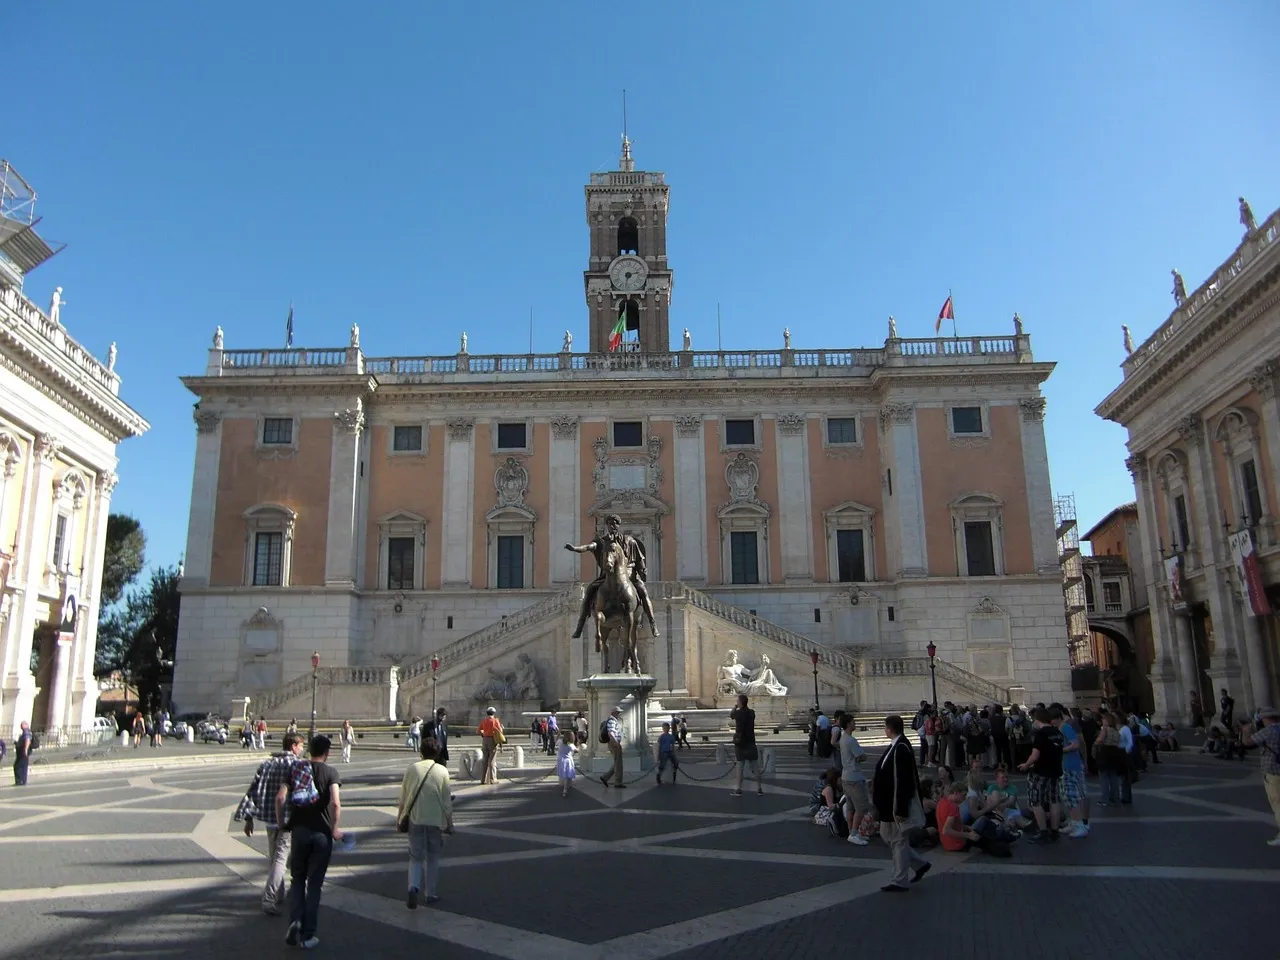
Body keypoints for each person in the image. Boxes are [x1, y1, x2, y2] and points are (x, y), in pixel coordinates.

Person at [278, 735, 343, 949]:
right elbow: (335, 803)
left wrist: (282, 824)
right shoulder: (331, 773)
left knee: (297, 879)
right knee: (314, 885)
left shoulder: (296, 769)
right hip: (322, 835)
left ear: (310, 750)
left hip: (300, 831)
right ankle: (308, 935)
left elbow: (280, 798)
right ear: (327, 752)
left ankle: (295, 919)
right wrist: (334, 828)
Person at [234, 732, 305, 914]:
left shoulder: (267, 764)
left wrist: (248, 818)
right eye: (301, 745)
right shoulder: (296, 765)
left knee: (275, 859)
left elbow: (253, 791)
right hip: (288, 819)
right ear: (293, 746)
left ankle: (280, 895)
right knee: (281, 860)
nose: (302, 749)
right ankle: (269, 898)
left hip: (269, 819)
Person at [565, 514, 660, 639]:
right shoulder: (602, 542)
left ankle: (653, 623)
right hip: (607, 576)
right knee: (589, 592)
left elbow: (639, 558)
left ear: (618, 526)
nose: (613, 526)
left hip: (630, 575)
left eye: (615, 523)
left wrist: (642, 569)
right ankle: (580, 626)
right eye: (610, 523)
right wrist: (576, 549)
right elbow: (588, 547)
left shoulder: (630, 541)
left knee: (643, 591)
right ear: (607, 526)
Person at [872, 714, 931, 893]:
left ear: (889, 729)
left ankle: (899, 880)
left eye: (885, 727)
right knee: (888, 836)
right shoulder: (896, 746)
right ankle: (919, 864)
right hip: (887, 804)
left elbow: (904, 781)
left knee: (898, 840)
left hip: (895, 805)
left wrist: (902, 808)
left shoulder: (901, 748)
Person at [398, 736, 453, 907]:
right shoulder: (442, 771)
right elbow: (446, 802)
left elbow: (403, 796)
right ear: (437, 753)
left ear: (421, 752)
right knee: (433, 858)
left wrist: (400, 817)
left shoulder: (412, 769)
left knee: (415, 857)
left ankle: (413, 887)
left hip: (415, 818)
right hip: (435, 820)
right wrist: (450, 824)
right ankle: (430, 893)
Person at [1017, 708, 1064, 842]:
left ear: (1037, 720)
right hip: (1056, 770)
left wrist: (1026, 764)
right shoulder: (1057, 732)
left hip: (1041, 771)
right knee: (1054, 800)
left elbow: (1035, 755)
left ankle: (1043, 831)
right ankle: (1055, 831)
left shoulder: (1041, 734)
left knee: (1036, 801)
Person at [1242, 706, 1280, 846]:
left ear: (1266, 719)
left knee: (1277, 803)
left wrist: (1246, 731)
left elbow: (1247, 743)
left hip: (1273, 771)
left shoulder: (1267, 732)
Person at [1055, 707, 1090, 838]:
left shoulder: (1066, 728)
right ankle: (1075, 822)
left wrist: (1060, 750)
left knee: (1072, 796)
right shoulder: (1062, 728)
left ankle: (1080, 824)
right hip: (1068, 765)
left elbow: (1075, 744)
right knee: (1069, 796)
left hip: (1070, 766)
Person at [838, 714, 870, 845]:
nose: (854, 724)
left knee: (851, 806)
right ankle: (854, 833)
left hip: (845, 776)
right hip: (854, 776)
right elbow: (861, 756)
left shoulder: (843, 738)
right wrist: (862, 757)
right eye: (853, 722)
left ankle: (852, 831)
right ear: (848, 724)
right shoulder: (851, 740)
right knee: (861, 806)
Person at [729, 694, 763, 797]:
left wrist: (735, 707)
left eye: (738, 701)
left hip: (741, 742)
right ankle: (759, 788)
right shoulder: (752, 713)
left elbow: (731, 715)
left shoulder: (738, 713)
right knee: (755, 766)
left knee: (740, 766)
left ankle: (738, 788)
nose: (737, 702)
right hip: (751, 741)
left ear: (741, 702)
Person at [477, 708, 503, 785]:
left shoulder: (484, 721)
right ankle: (492, 779)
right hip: (492, 740)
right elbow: (500, 731)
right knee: (492, 760)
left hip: (484, 740)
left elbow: (478, 731)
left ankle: (483, 779)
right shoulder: (495, 721)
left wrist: (483, 733)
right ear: (494, 713)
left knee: (485, 760)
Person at [601, 706, 625, 788]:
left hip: (614, 743)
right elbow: (611, 733)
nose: (619, 714)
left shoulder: (612, 720)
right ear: (614, 713)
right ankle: (618, 782)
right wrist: (616, 743)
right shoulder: (612, 721)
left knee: (617, 762)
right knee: (618, 763)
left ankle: (605, 777)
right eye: (618, 712)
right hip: (614, 744)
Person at [556, 730, 579, 797]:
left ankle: (565, 786)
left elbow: (556, 742)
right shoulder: (570, 744)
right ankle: (565, 789)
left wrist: (558, 736)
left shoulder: (560, 741)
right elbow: (577, 750)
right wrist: (578, 744)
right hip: (568, 760)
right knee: (567, 775)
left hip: (560, 759)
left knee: (564, 774)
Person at [12, 721, 32, 786]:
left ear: (25, 725)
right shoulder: (28, 731)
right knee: (24, 766)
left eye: (22, 725)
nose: (21, 726)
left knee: (17, 766)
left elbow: (27, 740)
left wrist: (25, 749)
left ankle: (19, 781)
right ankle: (23, 781)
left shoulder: (26, 731)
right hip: (24, 751)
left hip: (23, 751)